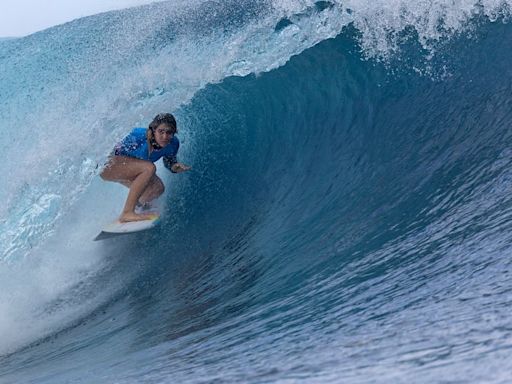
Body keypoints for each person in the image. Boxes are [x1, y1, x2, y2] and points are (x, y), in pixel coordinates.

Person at [101, 113, 191, 222]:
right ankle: (127, 213)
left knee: (157, 188)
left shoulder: (173, 144)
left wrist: (173, 166)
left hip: (130, 169)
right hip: (107, 166)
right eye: (161, 131)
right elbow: (111, 150)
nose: (165, 136)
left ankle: (139, 206)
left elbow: (169, 160)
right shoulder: (137, 136)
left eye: (169, 132)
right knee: (148, 168)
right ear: (153, 130)